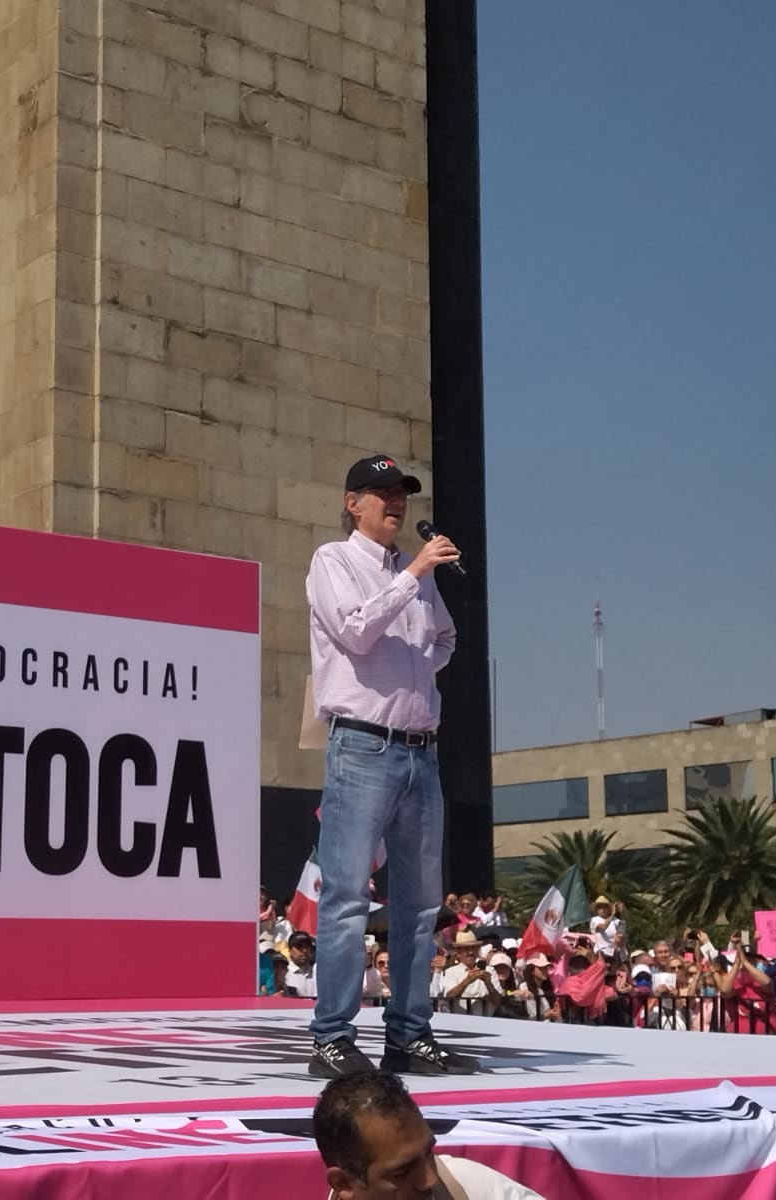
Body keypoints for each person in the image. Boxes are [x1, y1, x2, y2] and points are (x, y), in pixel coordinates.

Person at [304, 454, 477, 1079]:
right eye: (381, 494)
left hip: (421, 750)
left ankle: (409, 1034)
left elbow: (448, 638)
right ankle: (331, 1035)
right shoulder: (333, 560)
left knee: (420, 904)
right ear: (353, 502)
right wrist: (413, 578)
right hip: (362, 746)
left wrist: (412, 670)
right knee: (348, 897)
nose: (395, 503)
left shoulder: (416, 568)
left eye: (401, 494)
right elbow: (353, 632)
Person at [314, 1070, 544, 1199]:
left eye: (429, 1153)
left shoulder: (474, 1189)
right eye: (402, 1171)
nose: (430, 1180)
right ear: (344, 1182)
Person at [287, 932, 320, 998]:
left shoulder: (318, 971)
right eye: (299, 947)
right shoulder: (285, 974)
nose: (304, 950)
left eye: (307, 946)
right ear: (290, 950)